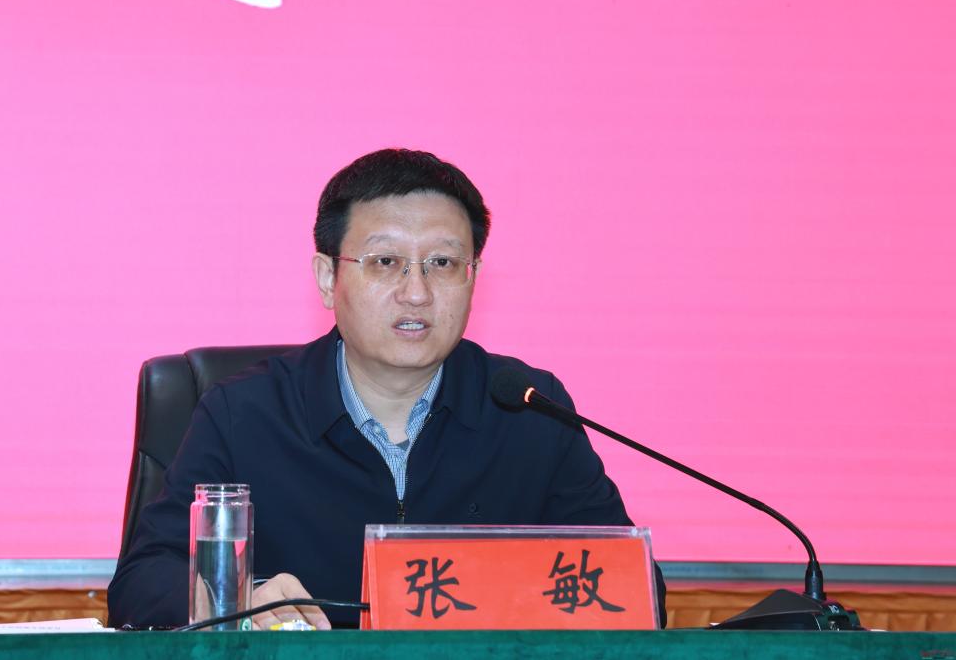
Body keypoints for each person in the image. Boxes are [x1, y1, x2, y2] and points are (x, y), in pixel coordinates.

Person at [107, 148, 666, 629]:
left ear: (473, 277)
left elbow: (635, 591)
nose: (416, 292)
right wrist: (239, 600)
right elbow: (141, 581)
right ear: (328, 277)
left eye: (442, 263)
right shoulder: (243, 413)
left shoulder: (528, 410)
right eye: (385, 262)